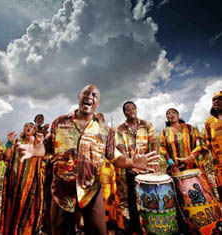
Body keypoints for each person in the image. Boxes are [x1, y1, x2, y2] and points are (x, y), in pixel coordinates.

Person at [17, 84, 159, 235]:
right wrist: (34, 150)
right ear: (79, 97)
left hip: (91, 191)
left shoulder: (105, 130)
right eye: (86, 93)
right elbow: (46, 146)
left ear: (97, 103)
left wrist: (131, 162)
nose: (90, 96)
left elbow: (113, 156)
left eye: (94, 95)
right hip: (62, 192)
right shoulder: (59, 123)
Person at [115, 101, 158, 235]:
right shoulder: (120, 129)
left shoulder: (146, 124)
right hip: (131, 167)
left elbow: (154, 143)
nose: (130, 110)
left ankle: (153, 223)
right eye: (127, 109)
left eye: (132, 108)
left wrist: (153, 160)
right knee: (133, 197)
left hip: (147, 165)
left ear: (136, 109)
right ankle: (136, 227)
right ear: (124, 113)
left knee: (150, 194)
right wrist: (131, 164)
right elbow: (121, 148)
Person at [0, 122, 44, 235]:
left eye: (31, 127)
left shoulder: (37, 142)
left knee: (26, 208)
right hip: (14, 180)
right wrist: (9, 143)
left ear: (35, 130)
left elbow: (44, 156)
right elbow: (7, 157)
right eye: (26, 126)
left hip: (30, 182)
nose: (28, 128)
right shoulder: (16, 142)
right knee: (12, 206)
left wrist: (41, 142)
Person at [160, 108, 206, 174]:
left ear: (178, 116)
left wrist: (191, 157)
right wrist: (171, 164)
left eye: (173, 112)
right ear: (167, 118)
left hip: (193, 166)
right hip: (176, 169)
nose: (171, 114)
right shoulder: (165, 132)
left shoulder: (190, 128)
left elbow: (200, 143)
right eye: (168, 113)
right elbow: (162, 148)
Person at [204, 91, 222, 203]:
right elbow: (207, 142)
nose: (217, 101)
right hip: (219, 165)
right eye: (214, 100)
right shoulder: (209, 121)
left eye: (220, 98)